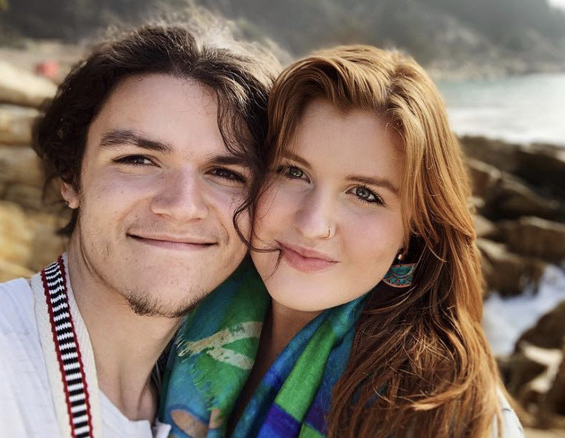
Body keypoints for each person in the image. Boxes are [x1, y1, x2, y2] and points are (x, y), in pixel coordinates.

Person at [161, 45, 524, 437]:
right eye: (293, 172)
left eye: (365, 194)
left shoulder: (442, 411)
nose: (314, 224)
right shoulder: (169, 307)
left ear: (415, 229)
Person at [0, 23, 277, 437]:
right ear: (71, 176)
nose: (181, 206)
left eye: (224, 172)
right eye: (137, 159)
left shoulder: (198, 403)